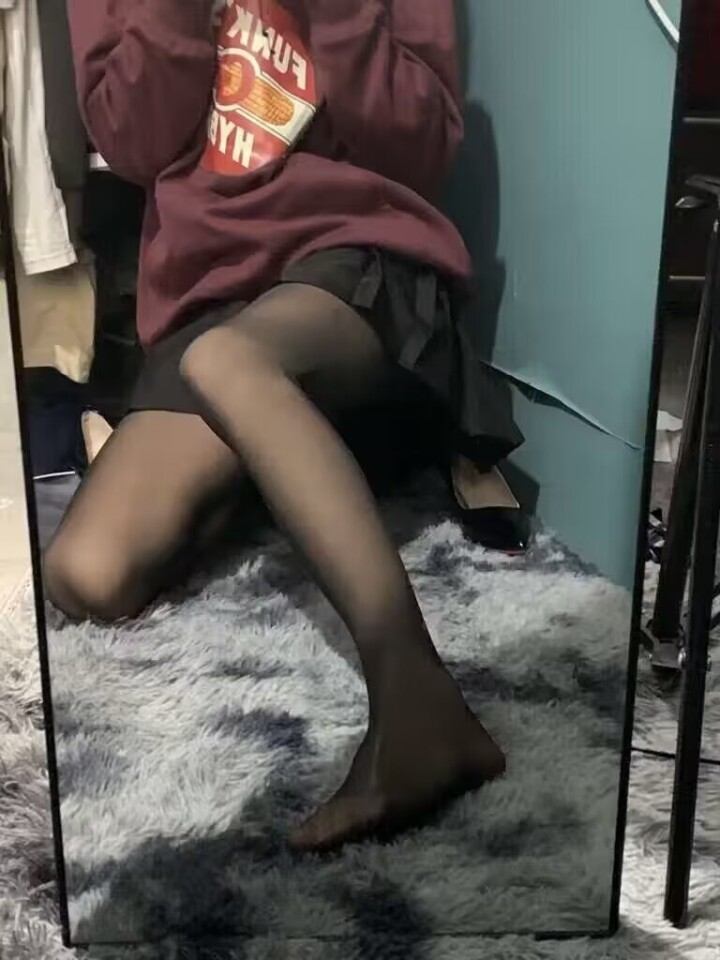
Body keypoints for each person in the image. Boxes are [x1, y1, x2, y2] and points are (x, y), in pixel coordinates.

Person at [47, 0, 514, 853]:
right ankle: (287, 465)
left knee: (231, 363)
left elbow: (420, 153)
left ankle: (418, 705)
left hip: (353, 264)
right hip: (209, 296)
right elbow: (134, 143)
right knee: (87, 572)